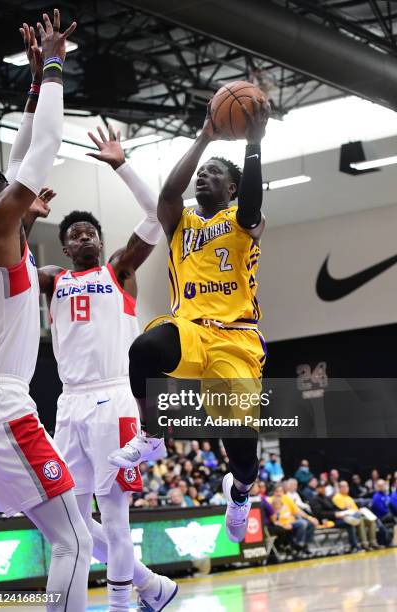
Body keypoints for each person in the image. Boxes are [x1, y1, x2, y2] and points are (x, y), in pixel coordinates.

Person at [27, 125, 177, 611]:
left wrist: (121, 165)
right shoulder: (51, 280)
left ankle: (121, 603)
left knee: (114, 519)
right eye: (74, 234)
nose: (84, 235)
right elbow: (5, 257)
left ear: (99, 239)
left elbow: (159, 213)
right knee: (64, 513)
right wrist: (27, 218)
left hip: (114, 397)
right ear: (65, 248)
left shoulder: (120, 270)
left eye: (90, 230)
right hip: (68, 403)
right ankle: (151, 585)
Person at [109, 97, 271, 544]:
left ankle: (239, 493)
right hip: (190, 329)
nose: (203, 176)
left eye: (214, 174)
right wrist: (204, 138)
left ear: (232, 189)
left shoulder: (244, 221)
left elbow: (253, 200)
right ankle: (153, 433)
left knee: (241, 447)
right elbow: (164, 197)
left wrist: (252, 144)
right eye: (202, 173)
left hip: (236, 340)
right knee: (144, 350)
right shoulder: (180, 223)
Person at [0, 11, 93, 612]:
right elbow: (44, 148)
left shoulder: (3, 232)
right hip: (3, 407)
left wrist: (31, 87)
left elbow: (21, 153)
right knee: (74, 540)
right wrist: (54, 65)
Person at [310, 480, 360, 552]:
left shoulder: (327, 498)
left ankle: (356, 545)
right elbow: (319, 514)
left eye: (324, 487)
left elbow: (335, 508)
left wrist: (345, 511)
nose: (324, 489)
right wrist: (335, 514)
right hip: (325, 521)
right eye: (322, 487)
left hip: (334, 519)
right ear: (317, 489)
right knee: (349, 524)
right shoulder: (314, 499)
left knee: (353, 520)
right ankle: (354, 546)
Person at [333, 481, 381, 550]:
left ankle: (373, 542)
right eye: (344, 486)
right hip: (344, 518)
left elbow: (355, 509)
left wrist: (360, 511)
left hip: (355, 516)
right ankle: (364, 544)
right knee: (360, 520)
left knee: (371, 521)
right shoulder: (337, 497)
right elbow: (341, 510)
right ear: (340, 488)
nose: (346, 488)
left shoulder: (349, 498)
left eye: (347, 486)